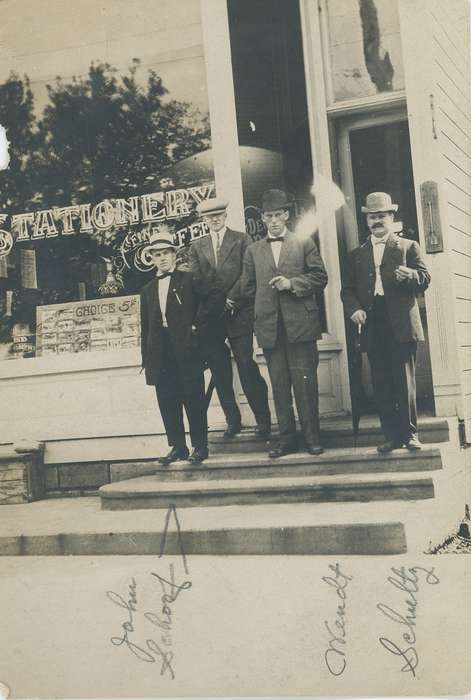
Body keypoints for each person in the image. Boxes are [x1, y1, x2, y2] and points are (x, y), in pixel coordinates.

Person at [341, 191, 431, 453]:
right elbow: (347, 290)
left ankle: (410, 435)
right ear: (366, 221)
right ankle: (391, 436)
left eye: (382, 216)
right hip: (373, 321)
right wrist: (354, 309)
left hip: (401, 321)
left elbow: (425, 279)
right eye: (372, 217)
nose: (377, 221)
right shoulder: (356, 254)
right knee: (381, 382)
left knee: (404, 381)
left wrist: (411, 275)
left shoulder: (408, 247)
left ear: (391, 217)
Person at [241, 189, 328, 458]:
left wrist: (292, 284)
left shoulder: (304, 243)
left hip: (301, 327)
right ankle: (287, 440)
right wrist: (264, 304)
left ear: (287, 215)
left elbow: (320, 277)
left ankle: (313, 439)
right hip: (270, 329)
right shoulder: (253, 251)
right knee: (279, 386)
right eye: (268, 216)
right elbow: (247, 288)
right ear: (263, 219)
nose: (274, 220)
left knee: (305, 385)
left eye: (278, 215)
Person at [140, 230, 224, 465]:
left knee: (193, 398)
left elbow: (216, 297)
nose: (162, 258)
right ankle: (178, 447)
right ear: (152, 259)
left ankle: (200, 446)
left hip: (187, 349)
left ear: (174, 255)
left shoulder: (189, 280)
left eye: (166, 253)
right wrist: (147, 359)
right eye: (157, 255)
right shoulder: (147, 290)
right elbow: (145, 328)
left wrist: (196, 325)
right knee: (168, 400)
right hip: (161, 353)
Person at [190, 197, 271, 438]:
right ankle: (232, 420)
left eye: (218, 215)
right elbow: (196, 280)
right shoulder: (197, 246)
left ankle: (263, 420)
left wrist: (231, 299)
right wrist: (217, 303)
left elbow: (248, 274)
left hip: (239, 311)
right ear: (203, 220)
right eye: (209, 217)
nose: (214, 220)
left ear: (225, 216)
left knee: (246, 364)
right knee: (219, 370)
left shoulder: (242, 239)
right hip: (212, 317)